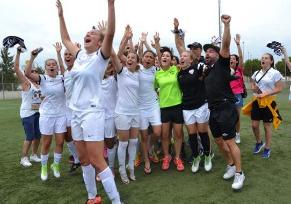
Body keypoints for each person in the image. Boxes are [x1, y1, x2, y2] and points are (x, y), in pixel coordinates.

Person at [56, 0, 121, 203]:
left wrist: (110, 5)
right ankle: (93, 197)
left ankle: (117, 201)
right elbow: (65, 38)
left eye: (93, 33)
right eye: (88, 32)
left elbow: (109, 34)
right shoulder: (80, 55)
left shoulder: (101, 57)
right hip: (75, 113)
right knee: (84, 160)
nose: (89, 33)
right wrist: (61, 15)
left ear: (100, 42)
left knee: (96, 160)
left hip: (92, 112)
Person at [203, 15, 245, 190]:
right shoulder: (207, 70)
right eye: (207, 52)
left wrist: (226, 26)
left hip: (226, 107)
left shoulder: (221, 64)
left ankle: (239, 173)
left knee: (230, 142)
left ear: (218, 54)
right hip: (213, 110)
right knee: (219, 141)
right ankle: (230, 165)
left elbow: (226, 45)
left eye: (211, 51)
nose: (208, 53)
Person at [25, 49, 66, 181]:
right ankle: (44, 167)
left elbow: (65, 69)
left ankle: (56, 165)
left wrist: (59, 54)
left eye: (54, 64)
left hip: (61, 115)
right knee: (46, 143)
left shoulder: (62, 78)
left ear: (57, 67)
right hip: (47, 116)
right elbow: (27, 73)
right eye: (49, 64)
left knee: (60, 142)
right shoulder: (42, 78)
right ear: (45, 68)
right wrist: (32, 57)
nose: (52, 66)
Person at [177, 50, 212, 173]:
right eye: (181, 56)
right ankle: (196, 156)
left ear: (191, 60)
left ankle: (207, 155)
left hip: (201, 105)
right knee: (191, 134)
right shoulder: (178, 74)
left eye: (185, 56)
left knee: (202, 132)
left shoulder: (197, 68)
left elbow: (208, 69)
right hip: (187, 107)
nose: (182, 57)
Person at [112, 29, 140, 183]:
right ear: (125, 59)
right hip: (122, 113)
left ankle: (131, 168)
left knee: (134, 142)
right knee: (123, 143)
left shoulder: (137, 74)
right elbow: (115, 55)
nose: (130, 59)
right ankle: (122, 170)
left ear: (136, 62)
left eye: (133, 58)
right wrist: (126, 37)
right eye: (128, 57)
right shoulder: (121, 71)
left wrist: (133, 42)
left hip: (135, 112)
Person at [247, 53, 284, 158]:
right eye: (262, 58)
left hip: (268, 102)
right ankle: (259, 142)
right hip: (256, 101)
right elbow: (252, 82)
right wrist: (253, 87)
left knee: (267, 126)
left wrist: (266, 93)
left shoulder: (275, 73)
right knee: (254, 125)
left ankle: (267, 148)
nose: (263, 59)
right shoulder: (257, 72)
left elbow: (279, 88)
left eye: (266, 58)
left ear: (271, 61)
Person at [154, 45, 184, 172]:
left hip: (177, 106)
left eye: (167, 56)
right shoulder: (157, 74)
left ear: (171, 59)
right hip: (164, 108)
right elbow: (155, 88)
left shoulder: (176, 69)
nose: (165, 57)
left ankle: (177, 157)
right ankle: (167, 156)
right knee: (165, 135)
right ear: (160, 59)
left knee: (178, 134)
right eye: (163, 56)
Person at [54, 42, 80, 172]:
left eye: (70, 54)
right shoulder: (65, 73)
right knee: (68, 136)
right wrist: (58, 53)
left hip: (81, 109)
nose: (68, 56)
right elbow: (62, 67)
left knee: (81, 137)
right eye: (66, 54)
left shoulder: (79, 69)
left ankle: (91, 161)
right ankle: (77, 159)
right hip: (68, 109)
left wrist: (79, 51)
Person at [14, 47, 41, 167]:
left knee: (38, 136)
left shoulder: (39, 85)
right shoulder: (26, 83)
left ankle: (34, 155)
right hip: (27, 113)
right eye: (32, 71)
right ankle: (23, 158)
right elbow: (16, 68)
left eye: (35, 71)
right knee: (29, 136)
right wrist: (18, 53)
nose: (34, 72)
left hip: (37, 112)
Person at [138, 50, 161, 174]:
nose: (148, 59)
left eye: (151, 57)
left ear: (154, 60)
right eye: (146, 56)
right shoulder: (137, 68)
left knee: (157, 132)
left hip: (153, 105)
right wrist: (129, 39)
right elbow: (127, 56)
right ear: (142, 58)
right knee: (144, 136)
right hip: (140, 108)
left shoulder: (155, 70)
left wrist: (155, 45)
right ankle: (146, 160)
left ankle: (149, 148)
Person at [229, 34, 245, 144]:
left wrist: (238, 44)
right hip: (227, 95)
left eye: (233, 59)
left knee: (237, 117)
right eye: (230, 59)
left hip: (238, 94)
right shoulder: (225, 69)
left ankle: (237, 134)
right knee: (228, 116)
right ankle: (231, 133)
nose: (231, 60)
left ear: (236, 61)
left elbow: (241, 57)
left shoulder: (240, 69)